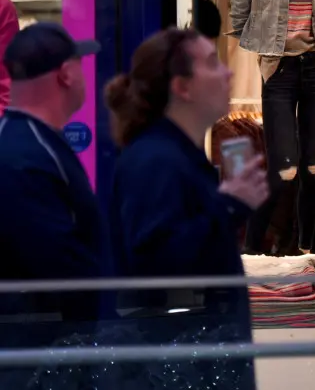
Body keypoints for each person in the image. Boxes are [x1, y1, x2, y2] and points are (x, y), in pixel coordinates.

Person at [106, 29, 269, 390]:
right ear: (182, 87)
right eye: (212, 63)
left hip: (196, 358)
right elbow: (158, 260)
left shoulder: (176, 153)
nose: (227, 73)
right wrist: (229, 205)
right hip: (177, 363)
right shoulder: (155, 159)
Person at [0, 23, 106, 389]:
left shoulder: (30, 141)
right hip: (34, 356)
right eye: (80, 64)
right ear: (65, 74)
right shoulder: (26, 154)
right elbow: (57, 260)